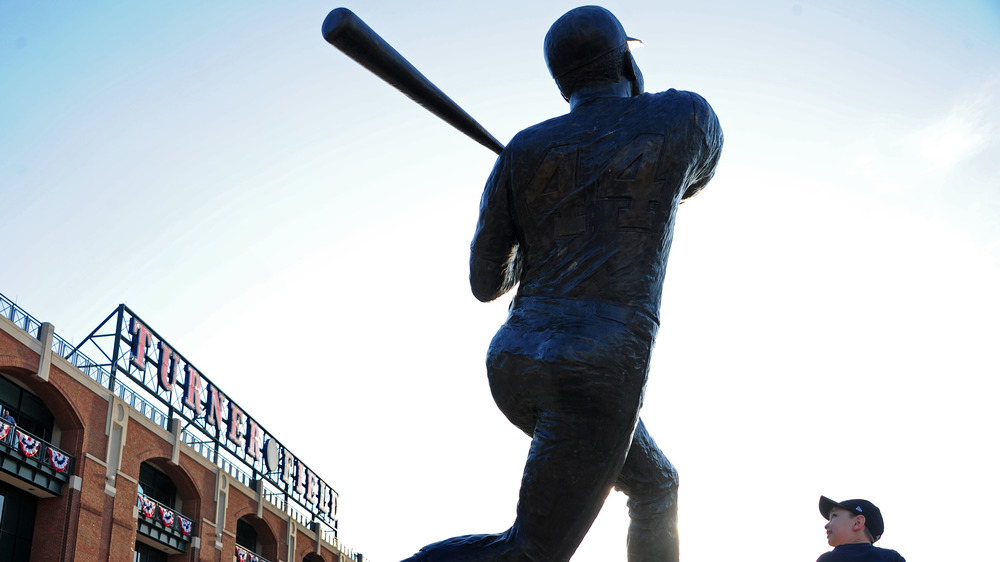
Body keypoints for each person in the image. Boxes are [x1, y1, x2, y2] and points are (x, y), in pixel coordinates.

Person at [402, 6, 722, 561]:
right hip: (599, 364)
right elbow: (692, 178)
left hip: (517, 359)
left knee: (655, 484)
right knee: (531, 554)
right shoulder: (683, 116)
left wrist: (541, 219)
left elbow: (485, 282)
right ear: (626, 60)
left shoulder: (523, 152)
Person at [818, 496, 906, 562]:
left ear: (858, 522)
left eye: (834, 516)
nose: (826, 525)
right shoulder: (890, 557)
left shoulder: (828, 559)